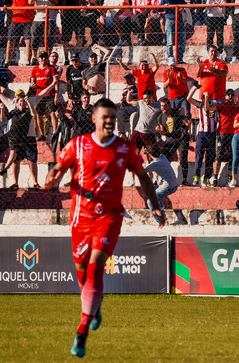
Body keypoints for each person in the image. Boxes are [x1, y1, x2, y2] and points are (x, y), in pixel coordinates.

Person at [44, 98, 164, 358]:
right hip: (80, 220)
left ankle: (81, 332)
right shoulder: (78, 145)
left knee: (96, 267)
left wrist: (154, 204)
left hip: (109, 218)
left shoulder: (125, 149)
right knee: (83, 277)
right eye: (105, 117)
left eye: (113, 117)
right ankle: (94, 306)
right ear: (95, 119)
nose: (109, 121)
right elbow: (56, 169)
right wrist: (51, 178)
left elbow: (143, 177)